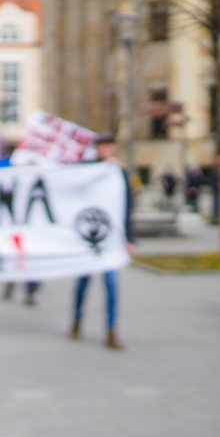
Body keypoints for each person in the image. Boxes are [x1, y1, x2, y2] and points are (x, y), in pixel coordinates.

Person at [71, 133, 135, 350]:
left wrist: (129, 238)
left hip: (111, 239)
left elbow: (128, 205)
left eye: (110, 146)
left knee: (111, 284)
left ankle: (111, 330)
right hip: (88, 236)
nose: (106, 150)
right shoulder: (86, 168)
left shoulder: (120, 172)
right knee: (83, 282)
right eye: (102, 146)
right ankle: (77, 320)